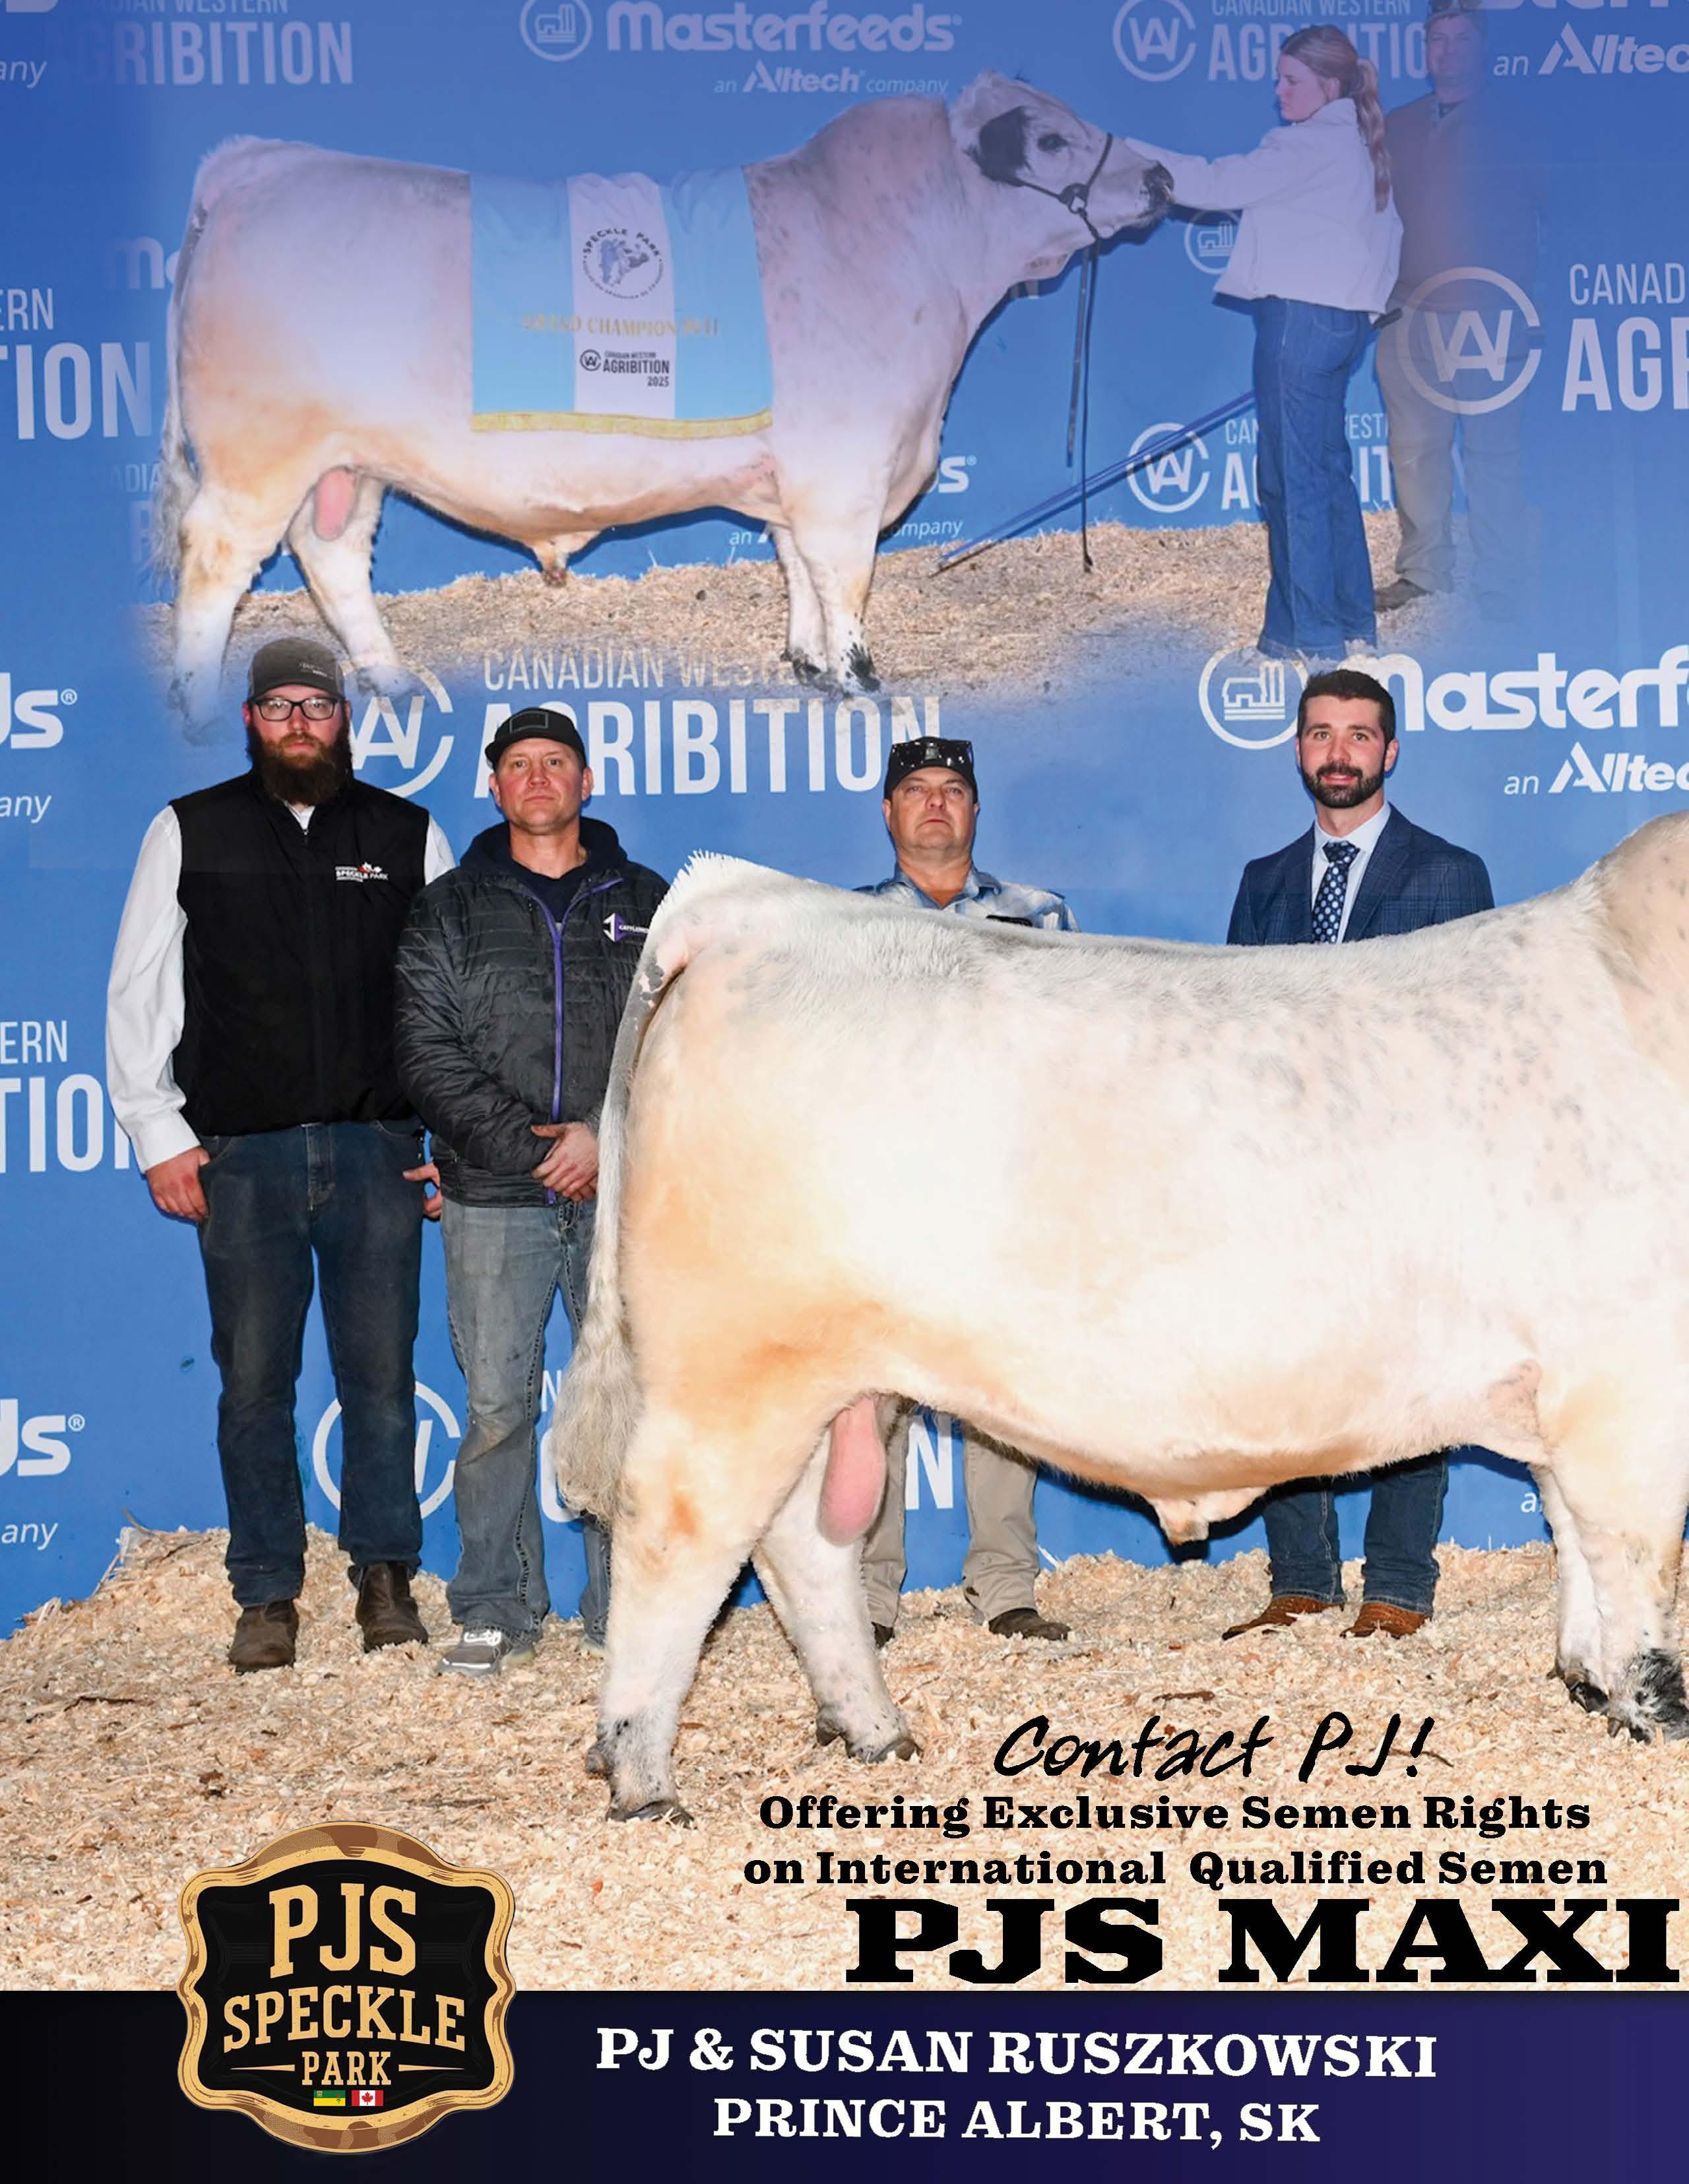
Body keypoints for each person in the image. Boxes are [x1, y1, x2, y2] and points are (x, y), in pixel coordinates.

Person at [107, 637, 454, 1672]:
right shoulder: (189, 828)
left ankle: (385, 1576)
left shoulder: (407, 832)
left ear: (345, 717)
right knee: (254, 1383)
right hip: (241, 1159)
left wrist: (452, 1137)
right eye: (279, 706)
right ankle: (265, 1590)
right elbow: (139, 988)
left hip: (378, 1150)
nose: (300, 722)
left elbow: (450, 999)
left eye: (318, 705)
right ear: (252, 720)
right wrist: (158, 1132)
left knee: (382, 1377)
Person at [394, 705, 666, 1675]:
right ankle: (494, 1605)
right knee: (497, 1409)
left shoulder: (651, 899)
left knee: (626, 1400)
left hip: (623, 1194)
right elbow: (426, 1049)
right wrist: (533, 1149)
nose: (539, 777)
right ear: (495, 785)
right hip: (491, 1196)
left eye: (556, 761)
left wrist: (602, 1136)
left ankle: (627, 1605)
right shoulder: (446, 907)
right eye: (519, 763)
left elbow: (679, 1036)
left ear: (586, 781)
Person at [1222, 668, 1493, 1640]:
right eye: (1321, 733)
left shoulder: (1451, 872)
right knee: (1287, 1365)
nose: (1338, 752)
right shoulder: (1262, 880)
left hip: (1407, 1168)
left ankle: (1399, 1586)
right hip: (1287, 1173)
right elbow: (1235, 1031)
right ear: (1298, 748)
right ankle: (1300, 1579)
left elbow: (1471, 1028)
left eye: (1359, 734)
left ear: (1390, 751)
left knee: (1412, 1373)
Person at [856, 735, 1073, 1647]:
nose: (936, 802)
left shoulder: (1040, 914)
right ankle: (867, 1593)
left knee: (999, 1392)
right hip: (885, 1191)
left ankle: (1006, 1585)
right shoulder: (843, 923)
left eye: (953, 788)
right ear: (889, 812)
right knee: (874, 1397)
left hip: (1003, 1188)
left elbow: (1071, 1054)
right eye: (917, 788)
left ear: (976, 809)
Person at [1127, 28, 1402, 666]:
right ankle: (1343, 626)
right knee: (1326, 475)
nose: (1279, 92)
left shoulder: (1306, 145)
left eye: (1291, 80)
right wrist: (1362, 312)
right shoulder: (1359, 142)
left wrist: (1125, 152)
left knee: (1292, 480)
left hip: (1298, 325)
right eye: (1278, 79)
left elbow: (1214, 184)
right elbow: (1392, 235)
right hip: (1340, 325)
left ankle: (1315, 640)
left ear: (1328, 86)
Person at [1374, 0, 1545, 621]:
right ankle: (1424, 572)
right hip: (1408, 312)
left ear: (1484, 48)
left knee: (1493, 451)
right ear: (1424, 50)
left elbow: (1556, 208)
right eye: (1436, 40)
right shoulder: (1397, 125)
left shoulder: (1520, 122)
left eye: (1461, 38)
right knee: (1414, 448)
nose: (1447, 52)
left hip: (1490, 314)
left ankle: (1501, 578)